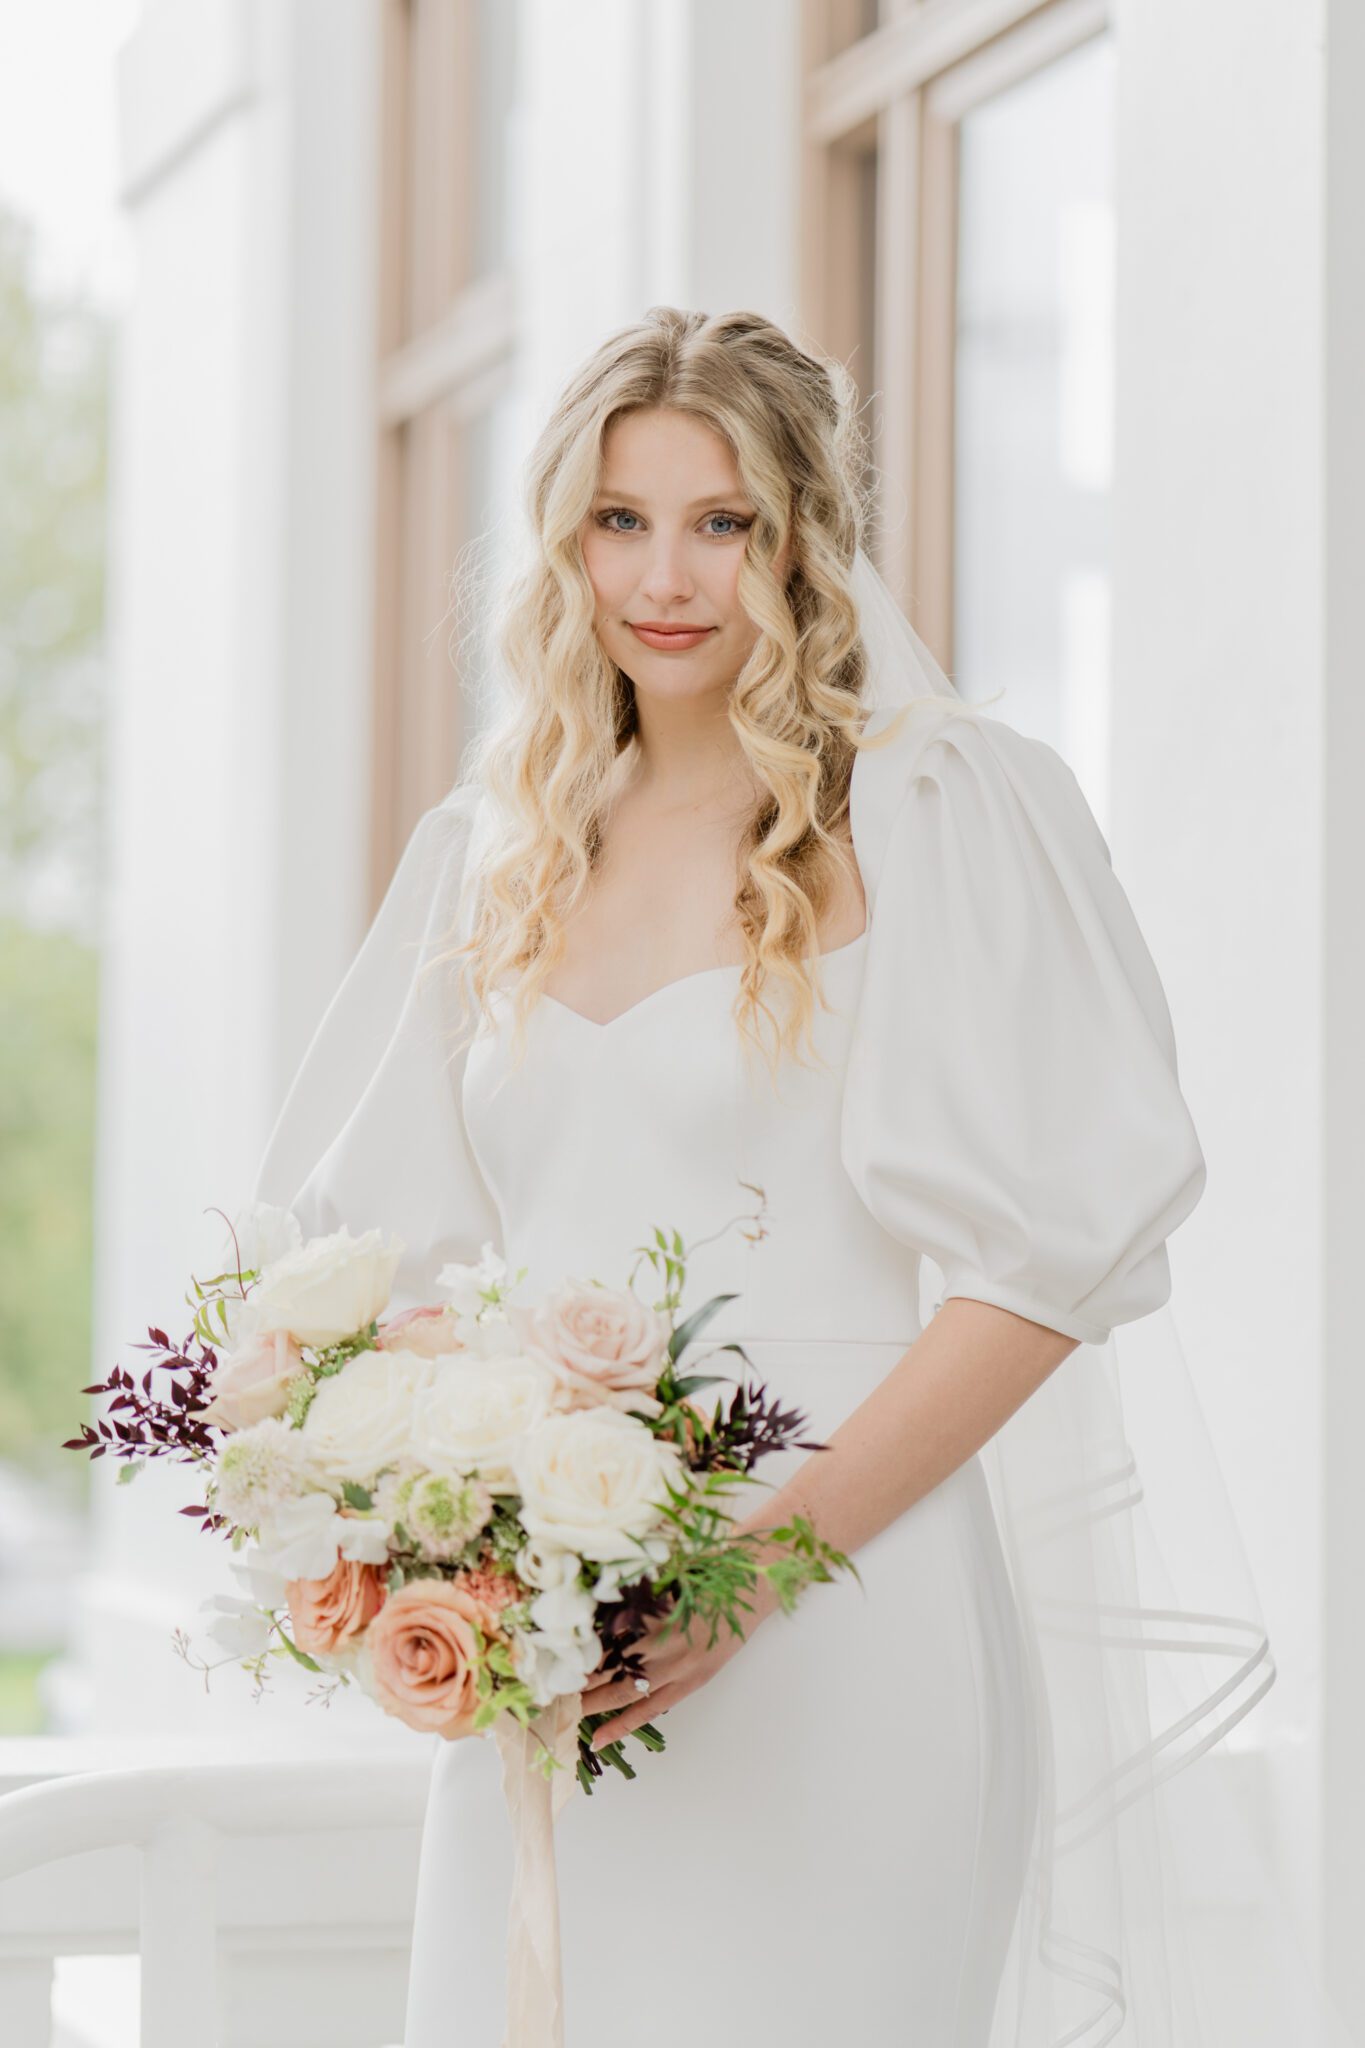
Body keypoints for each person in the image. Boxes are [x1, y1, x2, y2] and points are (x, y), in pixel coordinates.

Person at [248, 308, 1348, 2046]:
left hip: (853, 1610)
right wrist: (437, 1548)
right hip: (567, 1644)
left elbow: (1049, 1256)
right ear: (562, 544)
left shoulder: (935, 811)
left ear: (802, 536)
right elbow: (368, 1268)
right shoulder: (492, 852)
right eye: (620, 520)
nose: (666, 576)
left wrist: (747, 1575)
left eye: (723, 519)